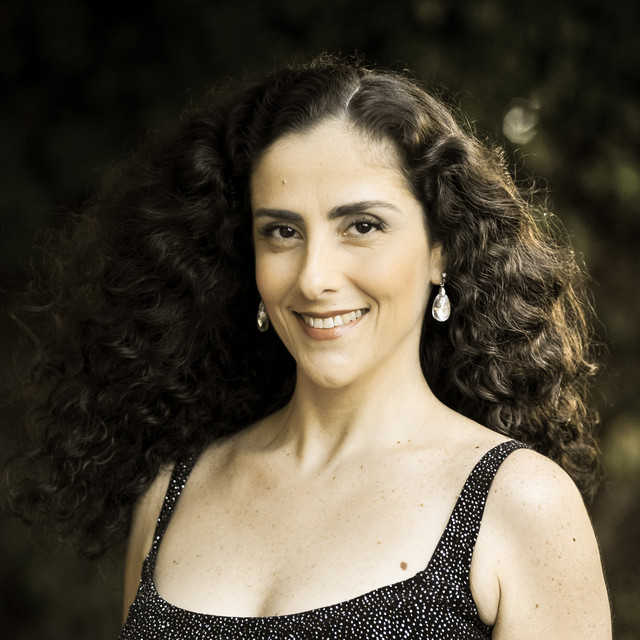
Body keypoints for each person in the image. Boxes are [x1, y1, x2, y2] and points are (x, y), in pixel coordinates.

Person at [5, 55, 611, 638]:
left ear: (441, 251)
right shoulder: (172, 494)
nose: (314, 277)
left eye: (362, 226)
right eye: (282, 231)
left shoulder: (518, 504)